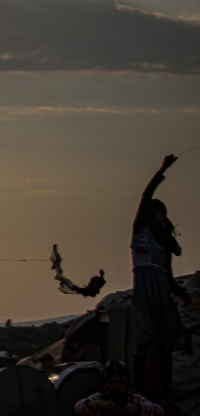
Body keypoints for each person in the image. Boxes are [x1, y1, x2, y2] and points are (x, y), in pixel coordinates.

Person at [130, 154, 190, 407]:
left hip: (161, 291)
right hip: (144, 291)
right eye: (158, 213)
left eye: (164, 214)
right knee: (144, 342)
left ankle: (166, 394)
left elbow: (170, 277)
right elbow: (146, 194)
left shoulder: (163, 246)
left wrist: (182, 294)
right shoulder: (140, 229)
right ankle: (134, 391)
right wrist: (162, 169)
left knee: (166, 344)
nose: (162, 218)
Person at [74, 360, 163, 415]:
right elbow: (78, 407)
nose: (116, 387)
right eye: (112, 383)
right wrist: (100, 404)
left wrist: (137, 408)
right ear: (105, 384)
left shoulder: (134, 399)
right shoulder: (99, 397)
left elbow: (158, 410)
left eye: (121, 383)